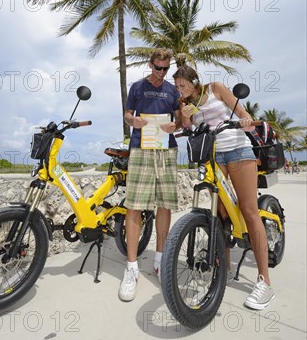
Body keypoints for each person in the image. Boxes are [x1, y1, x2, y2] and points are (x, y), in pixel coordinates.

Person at [173, 65, 275, 310]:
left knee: (249, 211)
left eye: (183, 85)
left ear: (195, 82)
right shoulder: (183, 104)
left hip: (238, 151)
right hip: (213, 157)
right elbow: (185, 129)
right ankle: (225, 270)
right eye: (177, 86)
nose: (180, 90)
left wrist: (246, 121)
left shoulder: (216, 88)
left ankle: (265, 282)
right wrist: (186, 117)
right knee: (220, 214)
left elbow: (242, 114)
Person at [118, 49, 182, 302]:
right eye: (158, 68)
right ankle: (131, 267)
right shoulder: (136, 87)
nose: (161, 73)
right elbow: (127, 114)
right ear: (150, 64)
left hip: (166, 149)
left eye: (165, 69)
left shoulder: (173, 90)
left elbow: (180, 120)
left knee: (164, 205)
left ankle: (159, 259)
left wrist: (175, 125)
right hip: (141, 148)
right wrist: (131, 121)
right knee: (133, 206)